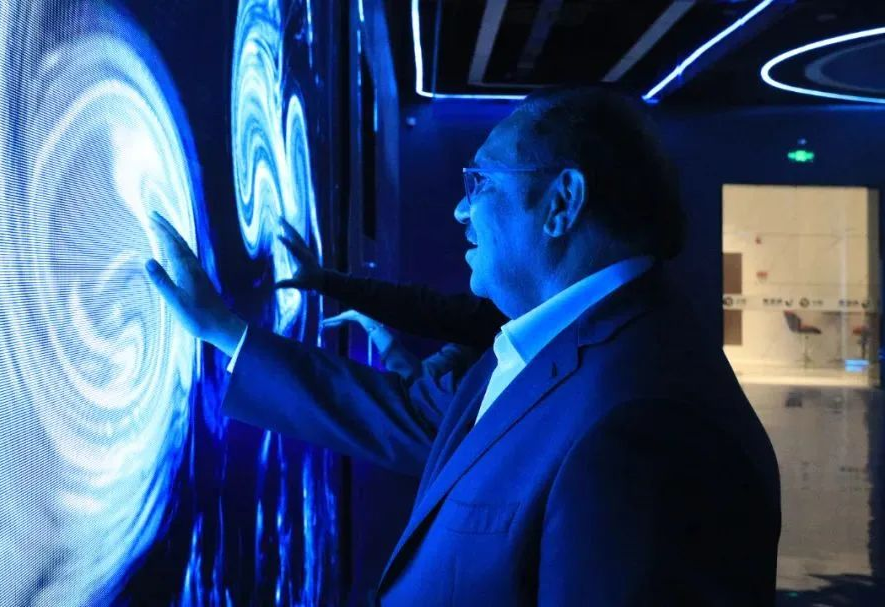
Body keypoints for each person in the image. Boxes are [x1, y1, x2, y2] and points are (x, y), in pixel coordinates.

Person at [145, 86, 781, 605]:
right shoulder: (548, 346)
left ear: (561, 203)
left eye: (481, 183)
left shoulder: (646, 426)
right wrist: (225, 331)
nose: (459, 210)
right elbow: (410, 418)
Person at [277, 218, 490, 384]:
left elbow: (419, 388)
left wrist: (327, 282)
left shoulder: (491, 327)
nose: (461, 212)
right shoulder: (485, 330)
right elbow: (422, 380)